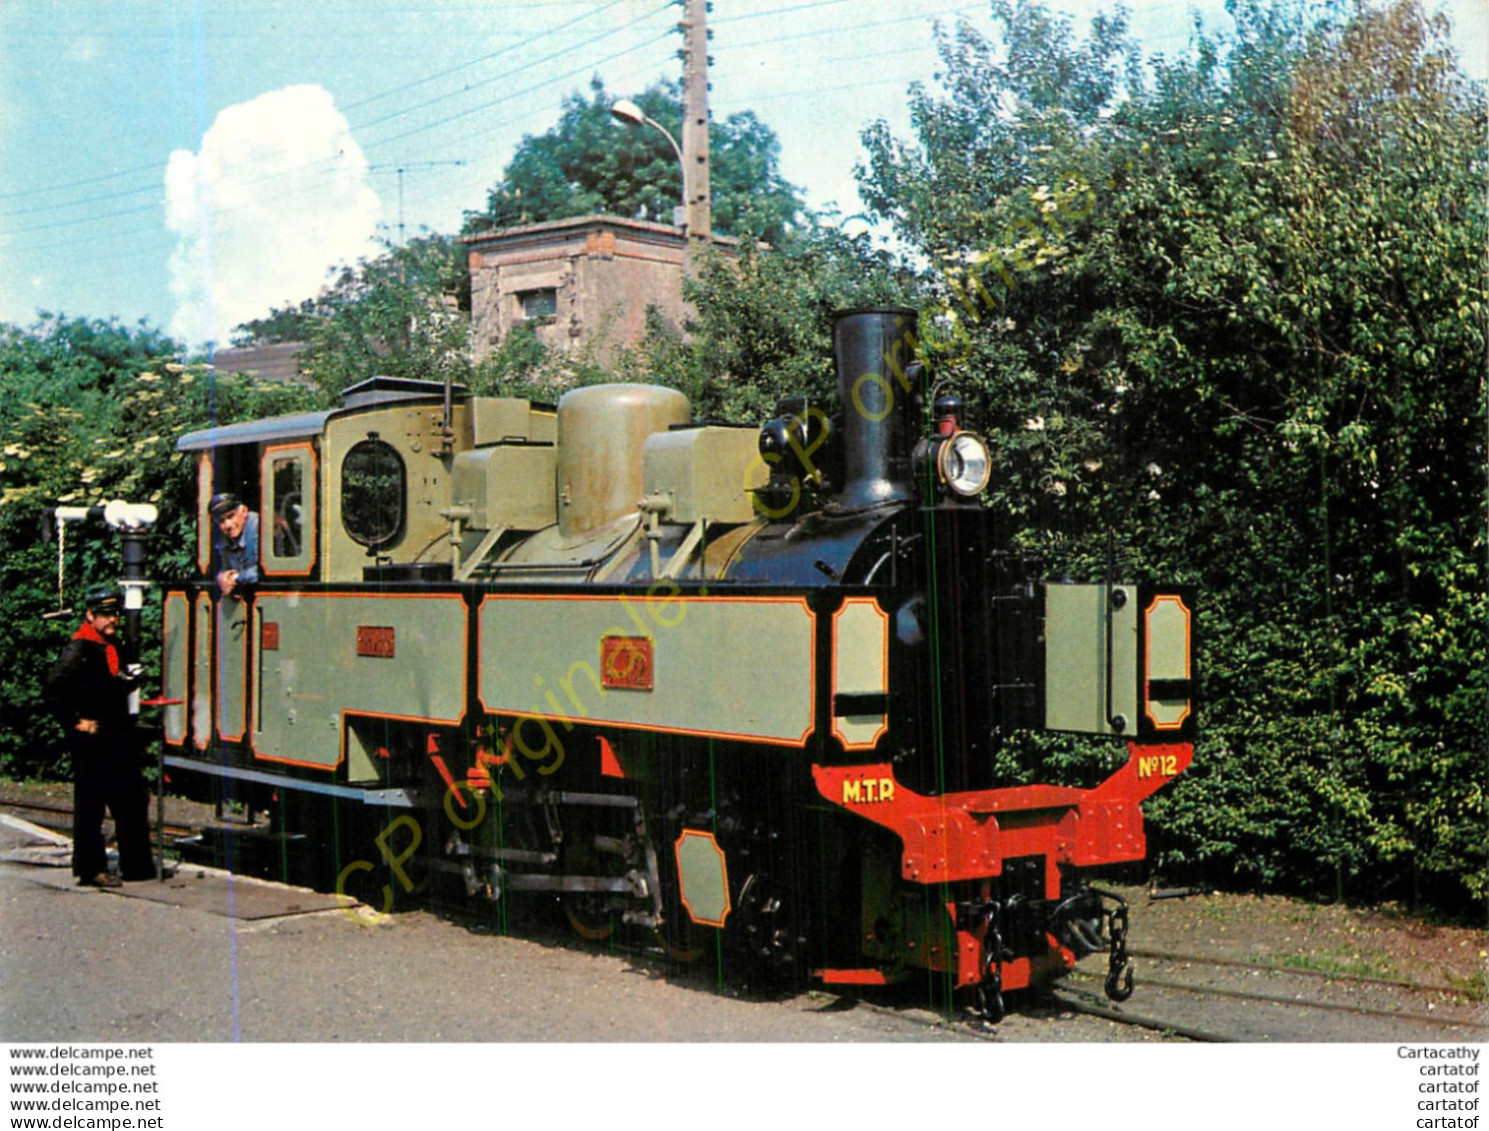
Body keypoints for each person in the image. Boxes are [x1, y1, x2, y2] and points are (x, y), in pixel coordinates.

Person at [44, 589, 155, 886]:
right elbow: (53, 689)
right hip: (91, 739)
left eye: (114, 614)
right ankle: (92, 869)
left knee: (131, 798)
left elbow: (108, 684)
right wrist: (74, 722)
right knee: (91, 805)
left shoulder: (113, 644)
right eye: (105, 615)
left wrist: (129, 683)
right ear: (90, 616)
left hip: (116, 736)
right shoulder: (78, 648)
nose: (112, 620)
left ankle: (137, 866)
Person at [210, 491, 259, 596]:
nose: (228, 525)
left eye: (231, 516)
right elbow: (225, 568)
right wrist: (221, 577)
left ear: (244, 511)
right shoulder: (223, 537)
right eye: (221, 521)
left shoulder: (258, 526)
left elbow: (264, 572)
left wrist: (237, 578)